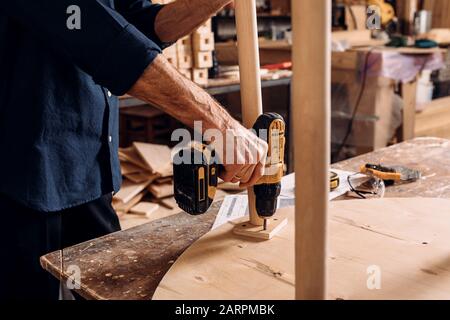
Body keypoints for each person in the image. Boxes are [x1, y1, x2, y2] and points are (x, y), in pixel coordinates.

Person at [0, 0, 267, 300]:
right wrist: (220, 125)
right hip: (20, 177)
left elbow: (140, 26)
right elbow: (98, 34)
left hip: (90, 170)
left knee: (108, 291)